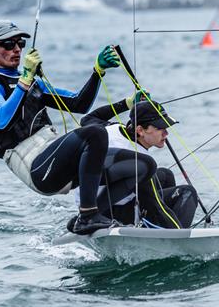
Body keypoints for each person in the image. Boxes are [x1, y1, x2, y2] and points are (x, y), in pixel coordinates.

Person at [0, 19, 123, 235]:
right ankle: (88, 215)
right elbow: (2, 119)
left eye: (20, 44)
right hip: (33, 166)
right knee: (94, 133)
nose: (16, 49)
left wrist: (98, 71)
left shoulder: (33, 82)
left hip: (52, 154)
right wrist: (25, 79)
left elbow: (79, 104)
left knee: (142, 165)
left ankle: (122, 221)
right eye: (8, 44)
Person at [73, 98, 199, 230]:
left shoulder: (113, 128)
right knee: (187, 192)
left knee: (165, 175)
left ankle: (159, 226)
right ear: (140, 130)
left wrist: (127, 103)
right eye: (160, 128)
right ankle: (172, 234)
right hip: (106, 213)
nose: (166, 133)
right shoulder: (138, 163)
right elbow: (155, 204)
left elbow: (88, 119)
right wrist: (178, 237)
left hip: (90, 206)